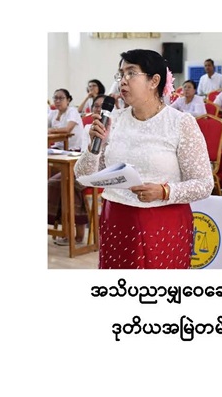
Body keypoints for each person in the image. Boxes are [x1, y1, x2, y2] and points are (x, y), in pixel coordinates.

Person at [74, 49, 213, 269]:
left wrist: (164, 191)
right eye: (121, 74)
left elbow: (204, 184)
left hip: (163, 221)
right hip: (116, 218)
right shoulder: (114, 120)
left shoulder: (180, 123)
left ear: (154, 81)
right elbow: (83, 175)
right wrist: (94, 147)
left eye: (131, 73)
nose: (123, 81)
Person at [48, 95, 108, 246]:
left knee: (71, 185)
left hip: (105, 172)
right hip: (85, 167)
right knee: (54, 183)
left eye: (102, 106)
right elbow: (84, 153)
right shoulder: (89, 128)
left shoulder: (116, 128)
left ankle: (78, 233)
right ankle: (64, 228)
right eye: (96, 106)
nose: (99, 109)